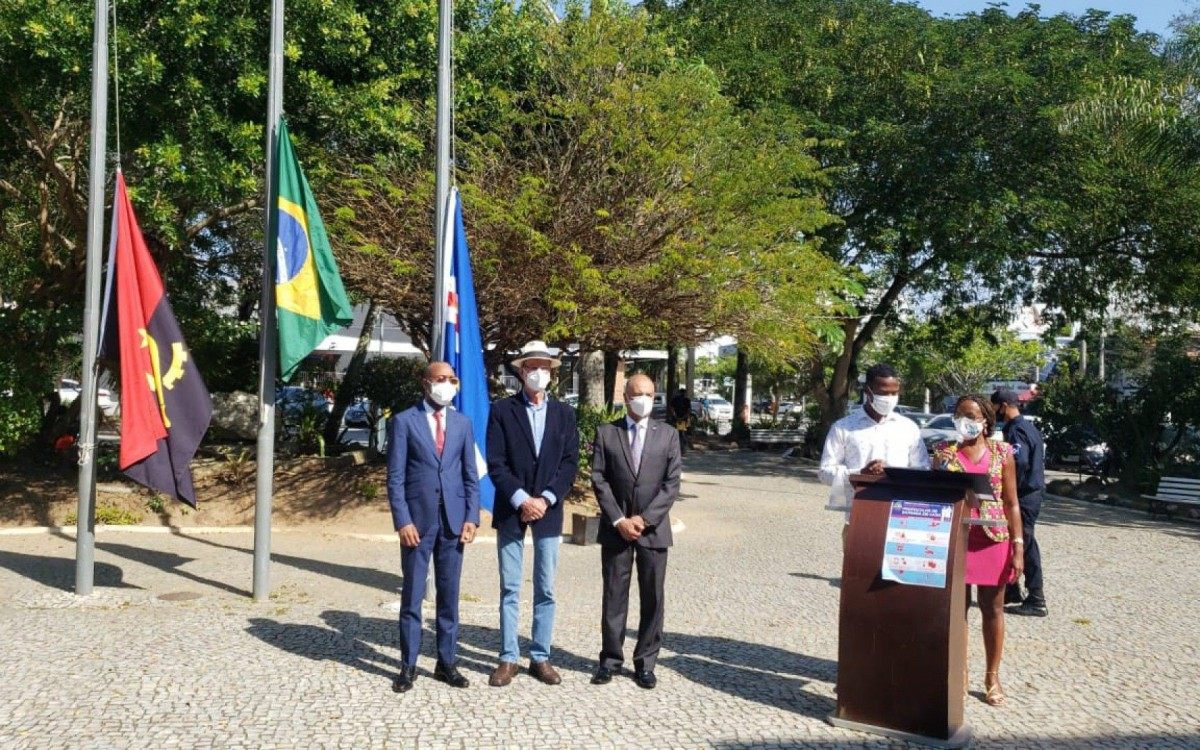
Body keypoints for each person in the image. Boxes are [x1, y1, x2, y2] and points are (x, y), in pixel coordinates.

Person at [486, 340, 580, 687]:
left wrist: (547, 498)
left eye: (544, 367)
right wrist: (523, 499)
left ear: (551, 373)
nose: (538, 372)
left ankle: (540, 656)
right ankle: (508, 657)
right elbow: (496, 463)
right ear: (521, 371)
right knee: (510, 587)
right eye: (532, 367)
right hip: (512, 510)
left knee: (546, 588)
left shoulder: (565, 414)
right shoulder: (502, 411)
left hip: (550, 511)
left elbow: (570, 462)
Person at [386, 361, 480, 693]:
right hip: (418, 523)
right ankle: (408, 665)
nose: (448, 384)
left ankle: (446, 662)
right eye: (441, 379)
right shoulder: (403, 422)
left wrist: (472, 517)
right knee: (412, 595)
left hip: (453, 522)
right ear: (426, 383)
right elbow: (395, 478)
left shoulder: (462, 423)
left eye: (452, 379)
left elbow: (471, 475)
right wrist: (403, 521)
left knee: (449, 595)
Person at [590, 374, 682, 690]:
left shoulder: (668, 435)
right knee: (614, 596)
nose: (643, 398)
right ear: (626, 397)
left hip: (653, 531)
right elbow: (599, 479)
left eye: (649, 393)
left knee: (653, 598)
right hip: (617, 530)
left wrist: (644, 519)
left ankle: (645, 663)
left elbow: (672, 484)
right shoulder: (607, 433)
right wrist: (619, 520)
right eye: (637, 393)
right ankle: (610, 661)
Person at [932, 395, 1025, 707]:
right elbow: (936, 498)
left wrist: (1018, 546)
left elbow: (1012, 502)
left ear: (986, 420)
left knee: (993, 609)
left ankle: (992, 675)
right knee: (958, 610)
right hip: (957, 538)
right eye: (958, 416)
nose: (964, 421)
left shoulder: (1003, 453)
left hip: (993, 539)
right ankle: (958, 673)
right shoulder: (945, 454)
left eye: (970, 415)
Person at [818, 363, 930, 542]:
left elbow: (923, 469)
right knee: (856, 569)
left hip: (900, 520)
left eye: (894, 393)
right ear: (868, 391)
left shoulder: (908, 428)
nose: (890, 398)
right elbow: (825, 473)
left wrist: (896, 474)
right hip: (858, 517)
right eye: (883, 393)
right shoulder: (843, 427)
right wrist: (860, 475)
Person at [992, 388, 1048, 617]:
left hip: (1024, 496)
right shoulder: (1027, 427)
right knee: (1016, 541)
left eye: (994, 407)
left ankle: (1037, 599)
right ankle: (1013, 590)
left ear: (1003, 406)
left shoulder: (1016, 430)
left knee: (1024, 543)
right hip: (1030, 493)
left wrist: (1008, 489)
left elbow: (1019, 462)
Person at [667, 387, 692, 454]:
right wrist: (684, 417)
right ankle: (682, 449)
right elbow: (689, 410)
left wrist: (674, 415)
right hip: (682, 419)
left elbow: (671, 408)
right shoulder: (686, 400)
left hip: (677, 419)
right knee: (681, 433)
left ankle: (680, 448)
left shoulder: (676, 399)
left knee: (677, 433)